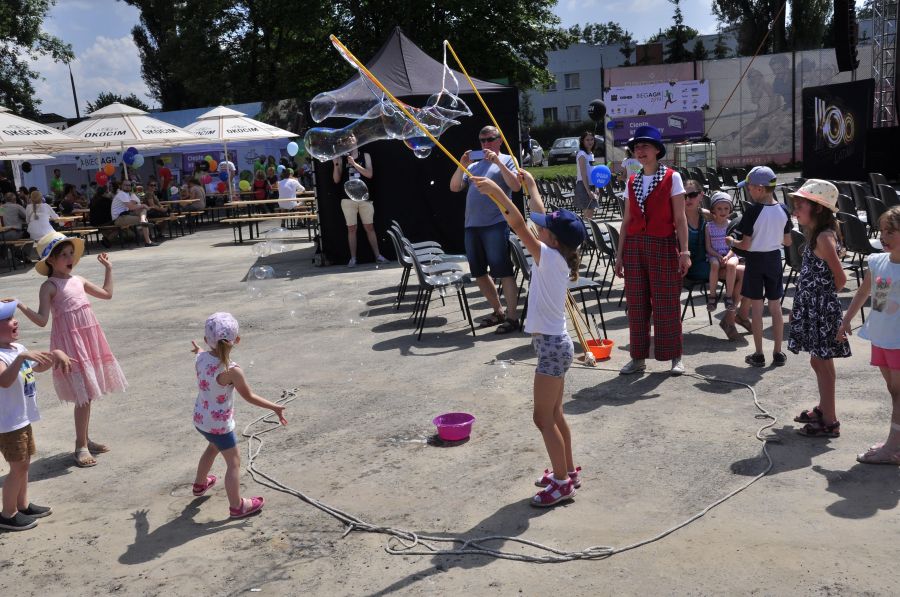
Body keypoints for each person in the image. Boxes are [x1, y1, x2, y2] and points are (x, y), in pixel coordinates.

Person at [473, 171, 585, 507]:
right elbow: (535, 219)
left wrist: (497, 193)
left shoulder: (547, 257)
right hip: (556, 344)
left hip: (551, 347)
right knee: (556, 414)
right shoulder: (556, 254)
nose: (538, 228)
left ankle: (562, 484)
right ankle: (567, 472)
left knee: (542, 419)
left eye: (544, 228)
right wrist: (532, 186)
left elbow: (520, 224)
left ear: (551, 238)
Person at [15, 232, 128, 468]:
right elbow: (42, 320)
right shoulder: (49, 286)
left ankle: (85, 438)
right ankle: (80, 446)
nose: (69, 258)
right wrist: (20, 305)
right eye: (63, 255)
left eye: (70, 254)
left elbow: (107, 295)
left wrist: (108, 268)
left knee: (87, 393)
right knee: (83, 396)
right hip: (69, 345)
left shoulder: (79, 280)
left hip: (89, 339)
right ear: (50, 261)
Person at [190, 312, 287, 519]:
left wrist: (198, 349)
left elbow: (200, 352)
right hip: (219, 426)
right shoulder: (232, 371)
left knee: (212, 446)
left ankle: (200, 485)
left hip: (201, 420)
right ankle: (237, 506)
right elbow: (249, 397)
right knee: (233, 463)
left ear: (207, 340)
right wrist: (275, 408)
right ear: (237, 340)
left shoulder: (200, 358)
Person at [614, 125, 689, 375]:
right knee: (636, 305)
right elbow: (626, 221)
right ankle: (638, 358)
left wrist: (685, 251)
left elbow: (680, 219)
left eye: (645, 146)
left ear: (657, 150)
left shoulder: (672, 177)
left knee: (666, 302)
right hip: (634, 247)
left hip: (663, 244)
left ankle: (674, 356)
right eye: (636, 147)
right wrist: (619, 255)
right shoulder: (632, 180)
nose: (639, 150)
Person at [0, 299, 72, 531]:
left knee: (25, 464)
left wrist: (54, 356)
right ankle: (7, 513)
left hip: (22, 419)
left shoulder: (17, 349)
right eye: (8, 320)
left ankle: (22, 505)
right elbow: (4, 380)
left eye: (14, 318)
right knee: (18, 467)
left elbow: (35, 366)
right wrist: (22, 358)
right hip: (8, 424)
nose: (15, 322)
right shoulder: (2, 355)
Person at [786, 180, 850, 438]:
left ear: (819, 209)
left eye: (801, 204)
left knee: (822, 363)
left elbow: (841, 279)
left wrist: (820, 302)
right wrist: (802, 303)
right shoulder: (816, 236)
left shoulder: (824, 238)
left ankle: (830, 421)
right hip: (812, 307)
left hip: (821, 310)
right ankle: (824, 408)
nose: (796, 208)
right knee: (817, 360)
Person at [837, 206, 900, 464]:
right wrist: (846, 320)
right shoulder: (879, 262)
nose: (883, 236)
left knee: (899, 393)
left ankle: (892, 448)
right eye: (882, 230)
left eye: (891, 231)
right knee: (893, 390)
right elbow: (869, 295)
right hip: (882, 336)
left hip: (898, 341)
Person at [450, 125, 522, 333]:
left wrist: (498, 161)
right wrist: (461, 165)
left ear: (499, 140)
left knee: (504, 271)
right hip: (472, 225)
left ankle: (512, 317)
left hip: (496, 223)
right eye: (482, 141)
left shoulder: (508, 160)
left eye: (490, 139)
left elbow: (515, 187)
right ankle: (498, 311)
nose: (486, 144)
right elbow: (455, 187)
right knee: (479, 273)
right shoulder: (473, 166)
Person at [726, 166, 792, 367]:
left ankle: (759, 354)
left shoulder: (753, 211)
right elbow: (788, 242)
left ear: (760, 189)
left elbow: (745, 245)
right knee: (775, 307)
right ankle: (778, 352)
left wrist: (731, 242)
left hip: (755, 261)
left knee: (756, 307)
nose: (748, 191)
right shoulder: (783, 209)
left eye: (750, 188)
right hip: (774, 259)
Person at [683, 182, 749, 340]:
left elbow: (726, 220)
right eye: (684, 195)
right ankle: (733, 319)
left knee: (751, 273)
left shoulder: (707, 215)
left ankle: (735, 317)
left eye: (692, 195)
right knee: (748, 274)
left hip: (712, 261)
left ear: (700, 195)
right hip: (693, 266)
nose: (687, 199)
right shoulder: (679, 217)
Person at [332, 139, 388, 266]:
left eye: (351, 141)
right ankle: (353, 258)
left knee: (369, 227)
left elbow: (369, 174)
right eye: (347, 142)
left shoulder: (365, 155)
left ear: (356, 142)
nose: (349, 144)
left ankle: (378, 256)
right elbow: (336, 179)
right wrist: (336, 165)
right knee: (351, 229)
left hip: (364, 198)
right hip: (347, 198)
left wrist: (354, 164)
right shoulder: (342, 158)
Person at [705, 192, 740, 312]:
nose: (722, 211)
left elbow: (734, 246)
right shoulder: (709, 226)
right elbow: (708, 247)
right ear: (713, 209)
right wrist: (718, 256)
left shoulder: (732, 224)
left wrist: (728, 256)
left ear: (730, 209)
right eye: (719, 208)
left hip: (731, 253)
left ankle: (728, 296)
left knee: (731, 265)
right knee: (714, 264)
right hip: (715, 254)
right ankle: (712, 296)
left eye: (726, 208)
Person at [111, 180, 156, 246]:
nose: (127, 186)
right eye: (125, 185)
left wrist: (141, 206)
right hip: (119, 218)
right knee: (144, 215)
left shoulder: (127, 194)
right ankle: (148, 241)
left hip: (125, 215)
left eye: (129, 185)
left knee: (143, 210)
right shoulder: (121, 194)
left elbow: (132, 207)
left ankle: (143, 220)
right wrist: (142, 205)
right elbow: (131, 207)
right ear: (121, 186)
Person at [573, 131, 599, 220]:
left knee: (590, 214)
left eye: (592, 139)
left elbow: (593, 172)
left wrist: (596, 187)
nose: (590, 142)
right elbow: (583, 174)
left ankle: (587, 232)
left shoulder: (591, 154)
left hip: (591, 186)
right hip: (584, 185)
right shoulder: (581, 154)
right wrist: (588, 191)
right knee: (588, 215)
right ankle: (586, 233)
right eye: (587, 140)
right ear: (582, 141)